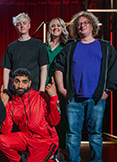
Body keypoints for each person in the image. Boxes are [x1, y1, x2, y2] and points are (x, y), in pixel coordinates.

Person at [52, 11, 117, 162]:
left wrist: (107, 91)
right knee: (74, 134)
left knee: (96, 134)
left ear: (93, 25)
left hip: (97, 99)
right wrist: (61, 87)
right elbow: (57, 66)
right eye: (79, 24)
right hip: (74, 99)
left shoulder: (105, 47)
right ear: (76, 28)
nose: (82, 26)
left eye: (85, 22)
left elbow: (114, 70)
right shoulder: (70, 48)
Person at [0, 68, 62, 162]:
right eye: (17, 81)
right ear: (12, 82)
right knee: (1, 140)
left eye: (24, 81)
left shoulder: (40, 96)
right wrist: (3, 106)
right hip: (27, 138)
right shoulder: (12, 104)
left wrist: (54, 97)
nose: (20, 85)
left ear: (30, 83)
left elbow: (55, 121)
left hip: (46, 140)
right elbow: (5, 132)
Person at [1, 13, 49, 93]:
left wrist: (42, 89)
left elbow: (44, 67)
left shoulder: (39, 45)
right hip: (15, 89)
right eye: (19, 24)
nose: (22, 26)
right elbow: (6, 69)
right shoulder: (11, 47)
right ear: (16, 28)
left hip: (34, 89)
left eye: (24, 23)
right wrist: (5, 88)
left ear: (29, 25)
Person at [45, 17, 72, 150]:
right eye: (53, 26)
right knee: (47, 119)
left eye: (58, 26)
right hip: (45, 87)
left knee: (61, 119)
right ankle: (49, 148)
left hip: (60, 87)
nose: (55, 28)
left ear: (62, 28)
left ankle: (62, 148)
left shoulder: (67, 47)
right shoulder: (44, 47)